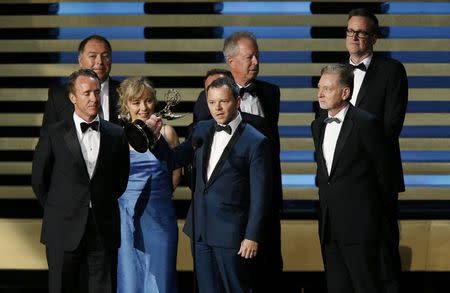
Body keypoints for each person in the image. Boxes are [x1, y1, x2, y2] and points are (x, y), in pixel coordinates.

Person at [147, 77, 272, 292]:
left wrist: (252, 236)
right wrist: (156, 138)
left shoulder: (256, 141)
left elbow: (261, 195)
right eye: (212, 102)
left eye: (223, 101)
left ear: (238, 101)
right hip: (200, 230)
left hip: (232, 234)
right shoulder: (201, 130)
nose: (218, 108)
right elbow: (175, 159)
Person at [192, 32, 283, 291]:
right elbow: (198, 152)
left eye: (257, 55)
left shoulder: (271, 93)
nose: (255, 61)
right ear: (231, 61)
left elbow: (269, 147)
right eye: (248, 57)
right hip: (225, 213)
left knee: (269, 272)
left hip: (264, 200)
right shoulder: (207, 100)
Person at [31, 68, 130, 293]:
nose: (94, 98)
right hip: (62, 227)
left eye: (96, 92)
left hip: (102, 227)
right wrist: (59, 208)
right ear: (72, 97)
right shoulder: (53, 133)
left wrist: (99, 203)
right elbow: (39, 179)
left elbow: (120, 180)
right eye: (87, 93)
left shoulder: (116, 134)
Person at [311, 64, 393, 292]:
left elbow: (384, 176)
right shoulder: (317, 125)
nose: (320, 94)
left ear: (345, 93)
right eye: (319, 88)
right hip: (329, 226)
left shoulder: (366, 123)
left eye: (327, 88)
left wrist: (373, 222)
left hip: (360, 228)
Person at [345, 8, 408, 292]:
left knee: (383, 252)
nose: (354, 37)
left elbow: (391, 125)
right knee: (351, 255)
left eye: (361, 32)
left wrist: (358, 154)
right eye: (350, 31)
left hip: (378, 177)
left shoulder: (392, 70)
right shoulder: (336, 72)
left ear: (374, 37)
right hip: (345, 180)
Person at [116, 76, 180, 293]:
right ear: (126, 106)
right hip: (127, 220)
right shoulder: (117, 137)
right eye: (136, 102)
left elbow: (175, 172)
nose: (143, 107)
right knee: (131, 278)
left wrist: (160, 198)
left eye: (148, 101)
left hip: (161, 219)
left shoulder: (168, 133)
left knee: (161, 278)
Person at [42, 35, 121, 129]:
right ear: (80, 61)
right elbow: (47, 140)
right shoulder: (58, 96)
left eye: (105, 56)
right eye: (92, 56)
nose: (100, 61)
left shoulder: (125, 93)